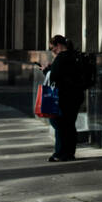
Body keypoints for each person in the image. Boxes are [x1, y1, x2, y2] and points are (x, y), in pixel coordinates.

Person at [40, 34, 84, 162]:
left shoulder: (61, 57)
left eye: (52, 48)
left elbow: (54, 76)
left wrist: (46, 70)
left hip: (64, 96)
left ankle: (60, 153)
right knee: (69, 124)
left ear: (58, 45)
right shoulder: (75, 55)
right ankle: (69, 152)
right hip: (76, 95)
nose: (52, 51)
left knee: (58, 123)